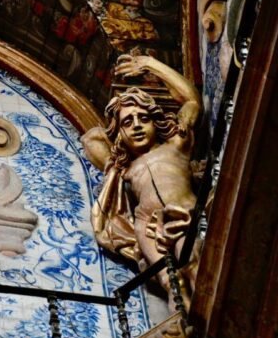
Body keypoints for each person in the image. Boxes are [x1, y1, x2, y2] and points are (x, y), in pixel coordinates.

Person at [82, 54, 202, 310]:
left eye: (143, 118)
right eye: (128, 122)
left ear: (156, 121)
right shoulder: (125, 168)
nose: (136, 125)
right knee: (170, 280)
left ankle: (201, 317)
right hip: (147, 223)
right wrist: (116, 127)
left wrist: (150, 64)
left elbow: (191, 100)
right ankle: (180, 318)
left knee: (194, 264)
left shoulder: (176, 144)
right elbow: (90, 139)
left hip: (183, 211)